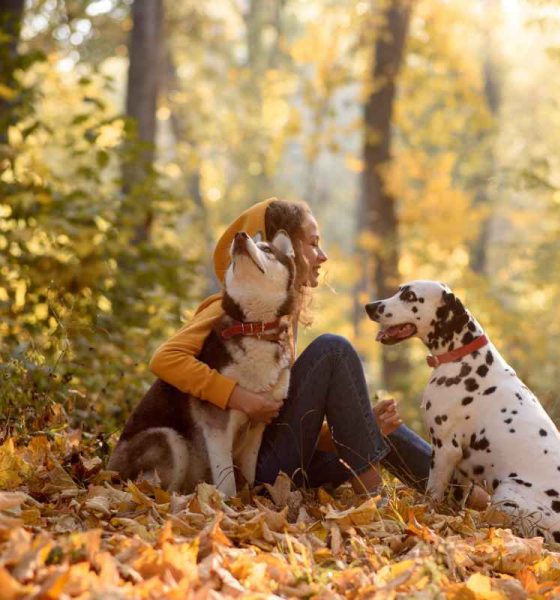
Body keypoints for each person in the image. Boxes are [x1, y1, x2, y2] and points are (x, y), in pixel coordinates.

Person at [149, 197, 488, 507]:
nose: (322, 256)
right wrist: (237, 397)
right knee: (333, 350)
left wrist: (362, 427)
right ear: (285, 249)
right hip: (252, 473)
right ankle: (377, 505)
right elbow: (166, 358)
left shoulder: (280, 324)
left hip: (278, 463)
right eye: (313, 244)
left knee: (377, 423)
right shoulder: (231, 311)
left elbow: (284, 424)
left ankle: (480, 501)